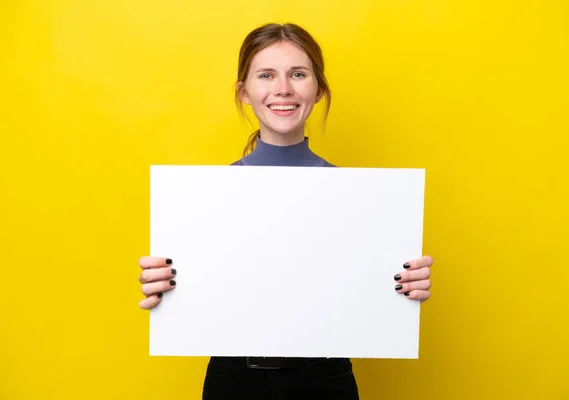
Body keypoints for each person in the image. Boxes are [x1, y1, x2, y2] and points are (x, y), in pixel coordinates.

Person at [137, 22, 434, 400]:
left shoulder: (362, 200)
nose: (283, 89)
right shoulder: (204, 199)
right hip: (233, 379)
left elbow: (362, 296)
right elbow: (199, 295)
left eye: (298, 74)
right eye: (266, 75)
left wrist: (404, 287)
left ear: (318, 89)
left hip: (325, 379)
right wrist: (166, 285)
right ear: (245, 92)